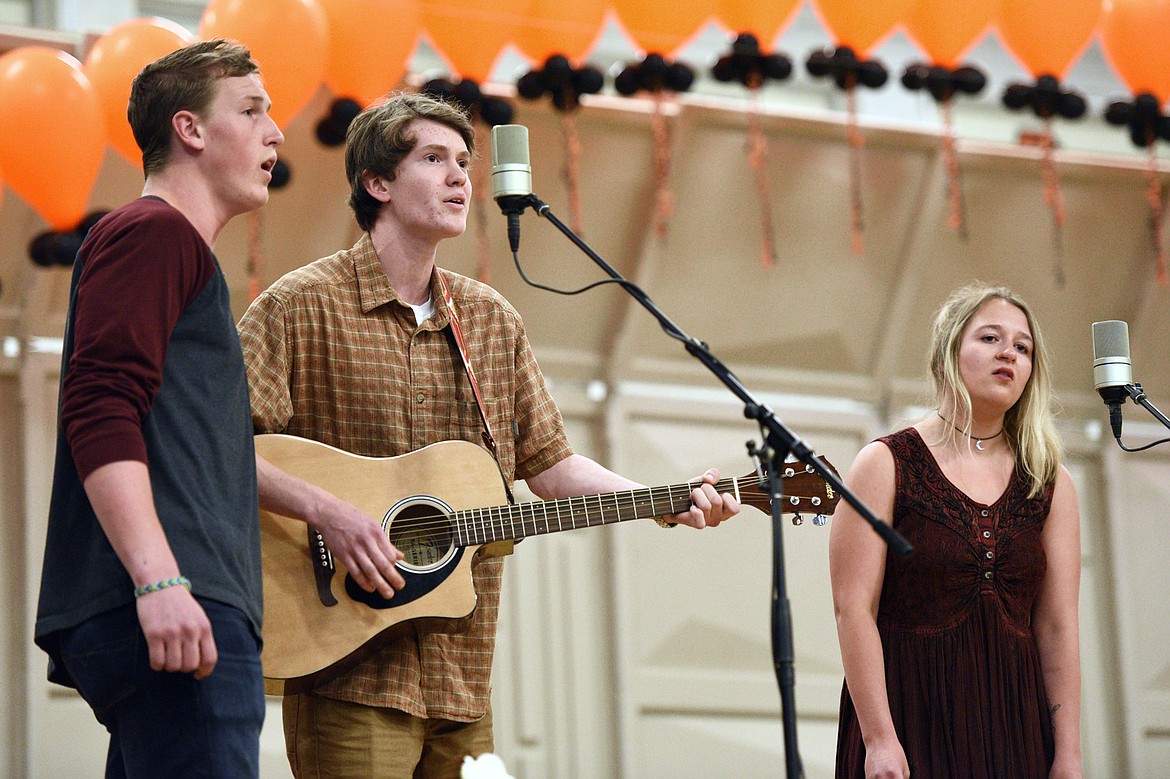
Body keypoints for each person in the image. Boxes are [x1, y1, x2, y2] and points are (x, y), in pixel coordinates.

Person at [236, 91, 740, 778]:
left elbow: (551, 465)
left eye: (465, 162)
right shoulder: (298, 307)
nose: (459, 177)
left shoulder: (491, 320)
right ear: (376, 182)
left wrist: (661, 497)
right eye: (433, 158)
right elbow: (220, 452)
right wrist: (328, 511)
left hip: (463, 676)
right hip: (345, 673)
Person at [33, 39, 283, 777]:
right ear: (191, 131)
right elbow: (98, 402)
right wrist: (160, 579)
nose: (276, 132)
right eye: (252, 110)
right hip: (179, 596)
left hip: (180, 598)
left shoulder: (172, 249)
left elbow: (205, 448)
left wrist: (327, 508)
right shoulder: (153, 232)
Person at [829, 283, 1082, 778]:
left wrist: (1068, 755)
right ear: (949, 350)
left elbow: (1056, 626)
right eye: (990, 337)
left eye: (1022, 347)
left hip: (1017, 730)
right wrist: (879, 739)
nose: (1008, 352)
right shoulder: (885, 463)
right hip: (909, 721)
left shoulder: (1050, 481)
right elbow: (853, 609)